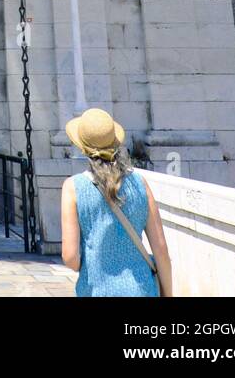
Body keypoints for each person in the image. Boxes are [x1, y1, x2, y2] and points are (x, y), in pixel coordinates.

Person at [60, 108, 172, 298]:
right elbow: (161, 250)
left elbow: (70, 257)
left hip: (96, 290)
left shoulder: (73, 187)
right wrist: (168, 294)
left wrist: (92, 263)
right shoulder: (139, 183)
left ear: (83, 147)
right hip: (142, 289)